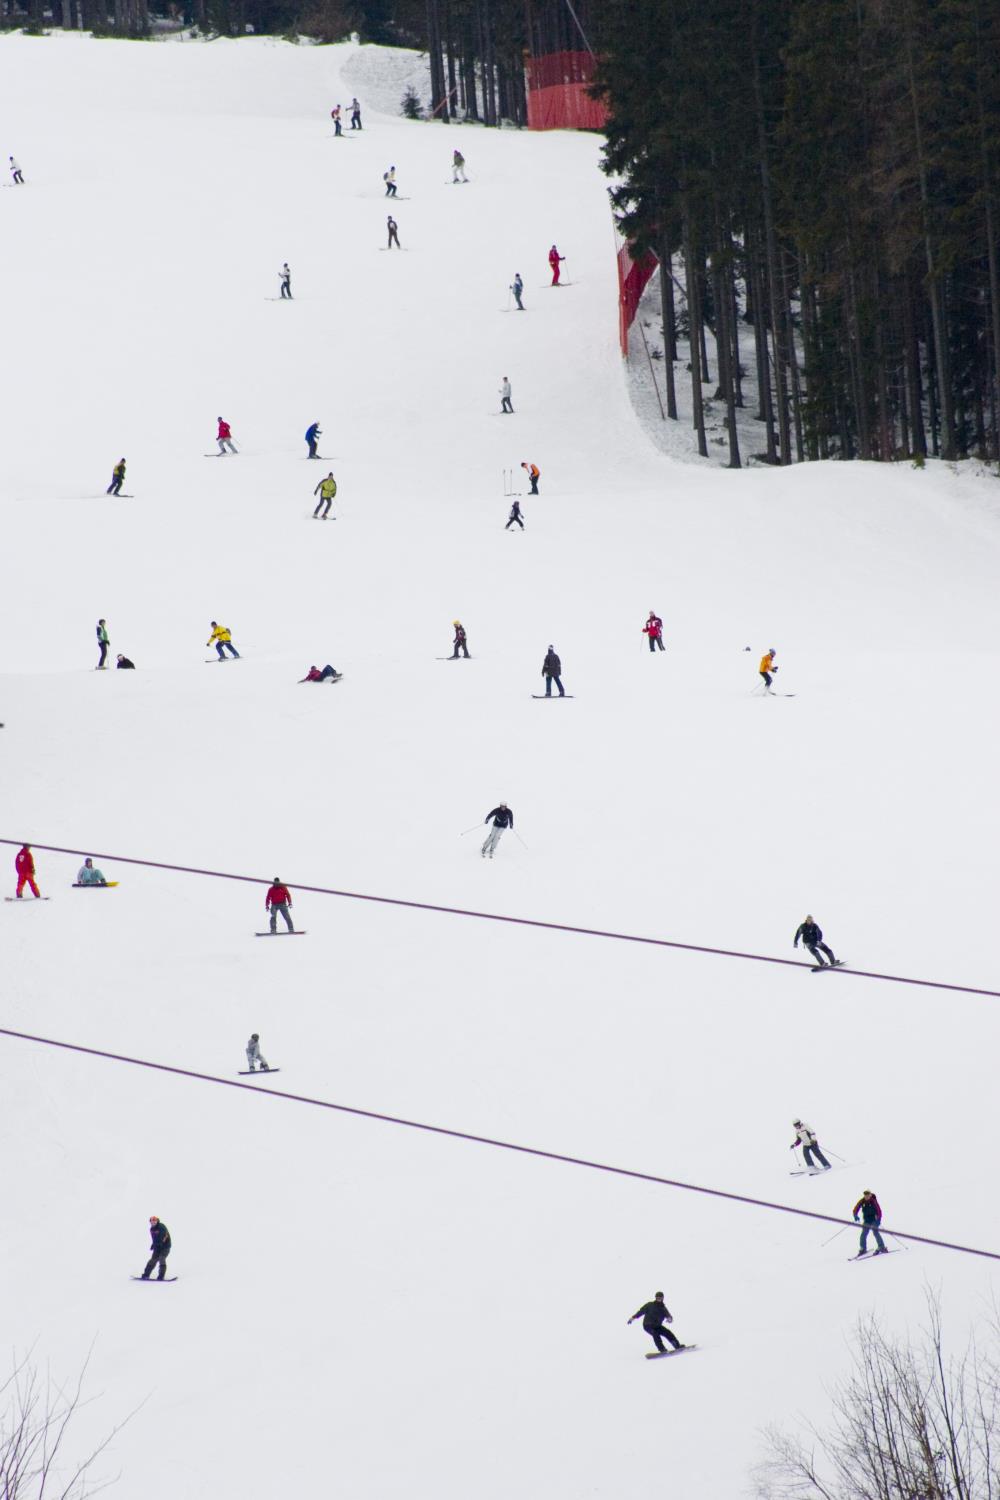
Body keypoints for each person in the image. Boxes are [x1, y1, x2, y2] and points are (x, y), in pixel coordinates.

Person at [852, 1191, 887, 1255]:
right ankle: (863, 1248)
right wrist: (855, 1215)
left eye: (868, 1195)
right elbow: (856, 1208)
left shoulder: (873, 1201)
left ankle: (882, 1247)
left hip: (875, 1220)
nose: (866, 1197)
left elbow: (879, 1211)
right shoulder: (862, 1201)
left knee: (875, 1231)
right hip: (867, 1220)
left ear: (870, 1195)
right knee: (863, 1234)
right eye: (865, 1195)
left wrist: (878, 1219)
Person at [141, 1215, 171, 1280]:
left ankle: (161, 1276)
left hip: (165, 1247)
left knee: (161, 1258)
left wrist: (161, 1243)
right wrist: (153, 1244)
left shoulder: (161, 1226)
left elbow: (164, 1236)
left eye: (155, 1221)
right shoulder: (151, 1229)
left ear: (157, 1221)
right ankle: (146, 1274)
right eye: (152, 1221)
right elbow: (154, 1238)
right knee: (153, 1260)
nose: (153, 1222)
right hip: (157, 1247)